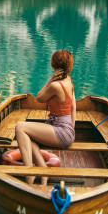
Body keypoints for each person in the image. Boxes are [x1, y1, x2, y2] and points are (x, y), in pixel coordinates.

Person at [15, 49, 76, 184]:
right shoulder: (69, 80)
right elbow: (73, 107)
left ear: (53, 64)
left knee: (20, 127)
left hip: (61, 131)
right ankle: (42, 170)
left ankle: (29, 173)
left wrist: (50, 80)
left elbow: (39, 98)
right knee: (28, 136)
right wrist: (72, 129)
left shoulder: (55, 85)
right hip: (67, 130)